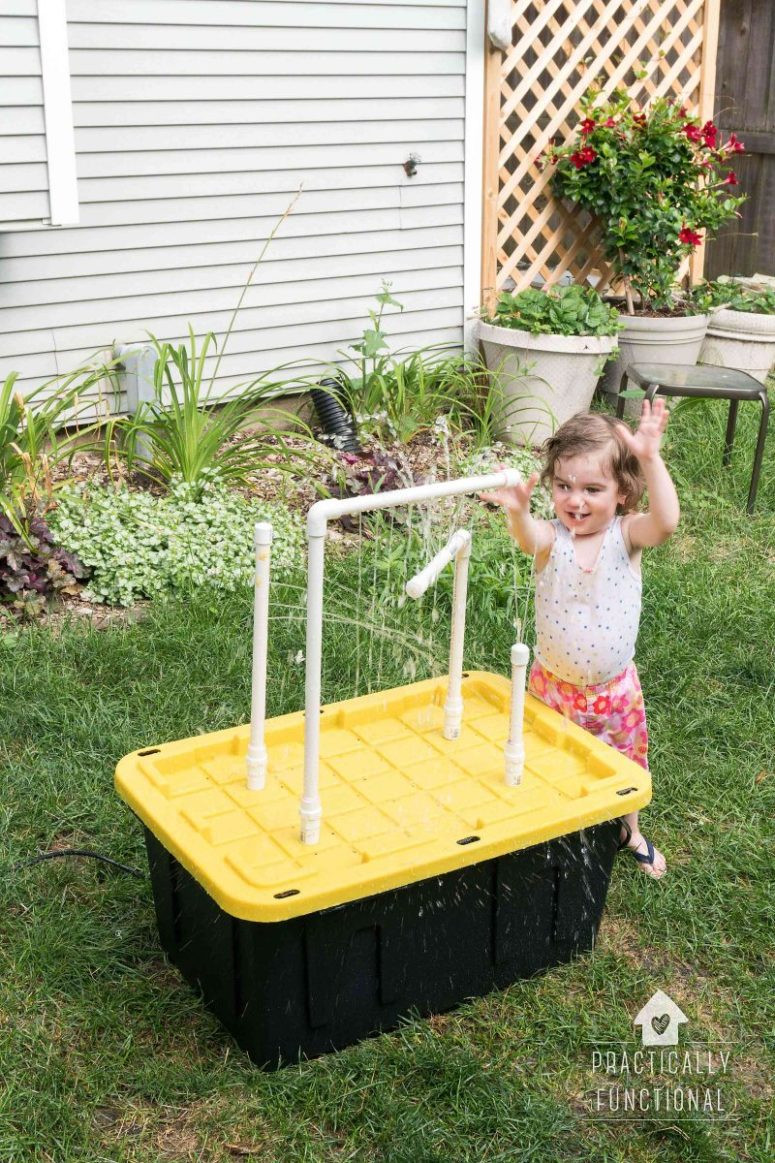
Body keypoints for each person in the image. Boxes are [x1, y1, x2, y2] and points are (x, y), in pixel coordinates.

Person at [481, 399, 680, 878]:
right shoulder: (551, 538)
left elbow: (667, 522)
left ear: (622, 494)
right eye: (565, 486)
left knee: (625, 768)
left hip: (615, 692)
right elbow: (529, 538)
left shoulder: (626, 536)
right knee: (548, 764)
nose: (576, 500)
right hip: (553, 689)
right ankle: (553, 831)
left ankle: (628, 831)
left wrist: (650, 458)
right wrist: (519, 513)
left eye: (593, 488)